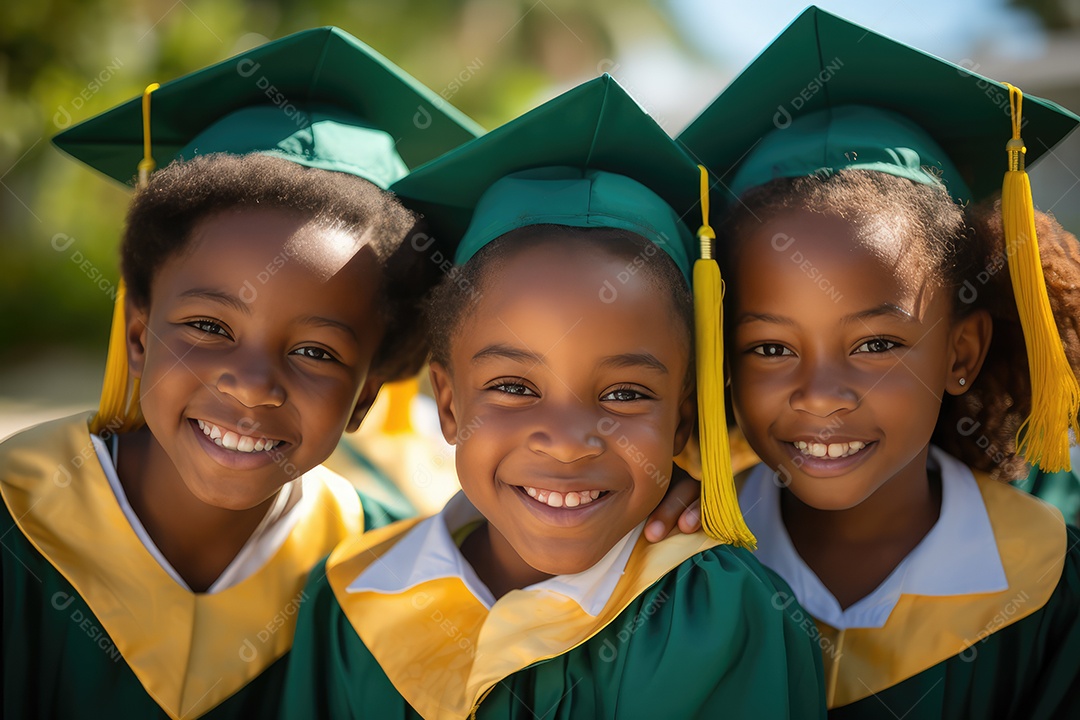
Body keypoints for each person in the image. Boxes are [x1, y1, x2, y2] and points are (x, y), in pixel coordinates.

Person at [281, 74, 826, 719]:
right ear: (449, 406)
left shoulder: (710, 614)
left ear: (683, 419)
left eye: (625, 393)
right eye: (514, 387)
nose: (568, 438)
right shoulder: (355, 598)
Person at [0, 27, 482, 719]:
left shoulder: (384, 572)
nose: (251, 383)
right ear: (139, 335)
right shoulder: (19, 514)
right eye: (209, 328)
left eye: (317, 351)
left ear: (366, 396)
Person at [678, 7, 1080, 718]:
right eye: (770, 348)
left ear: (962, 353)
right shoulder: (678, 570)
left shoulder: (1052, 583)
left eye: (876, 346)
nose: (822, 395)